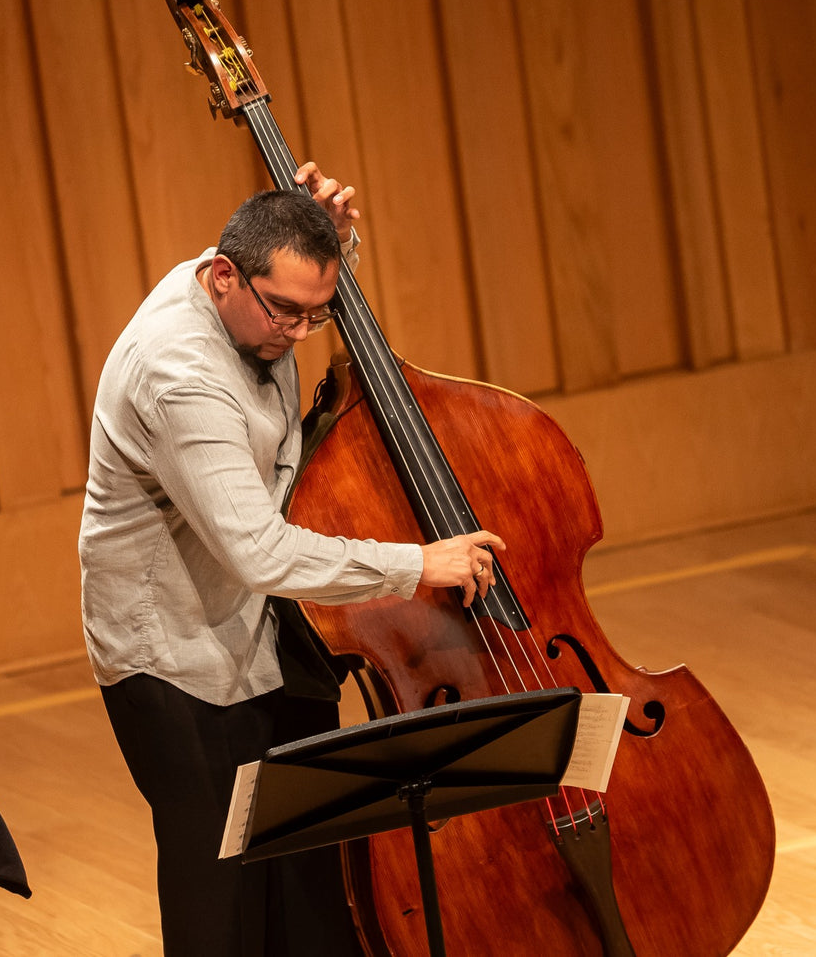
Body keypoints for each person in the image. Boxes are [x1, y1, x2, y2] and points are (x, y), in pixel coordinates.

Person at [78, 162, 502, 956]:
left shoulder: (261, 290)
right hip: (173, 658)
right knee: (221, 903)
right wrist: (417, 565)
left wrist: (331, 239)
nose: (300, 334)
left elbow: (291, 270)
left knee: (311, 889)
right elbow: (257, 550)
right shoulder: (180, 376)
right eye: (286, 312)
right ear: (222, 275)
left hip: (269, 634)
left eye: (319, 314)